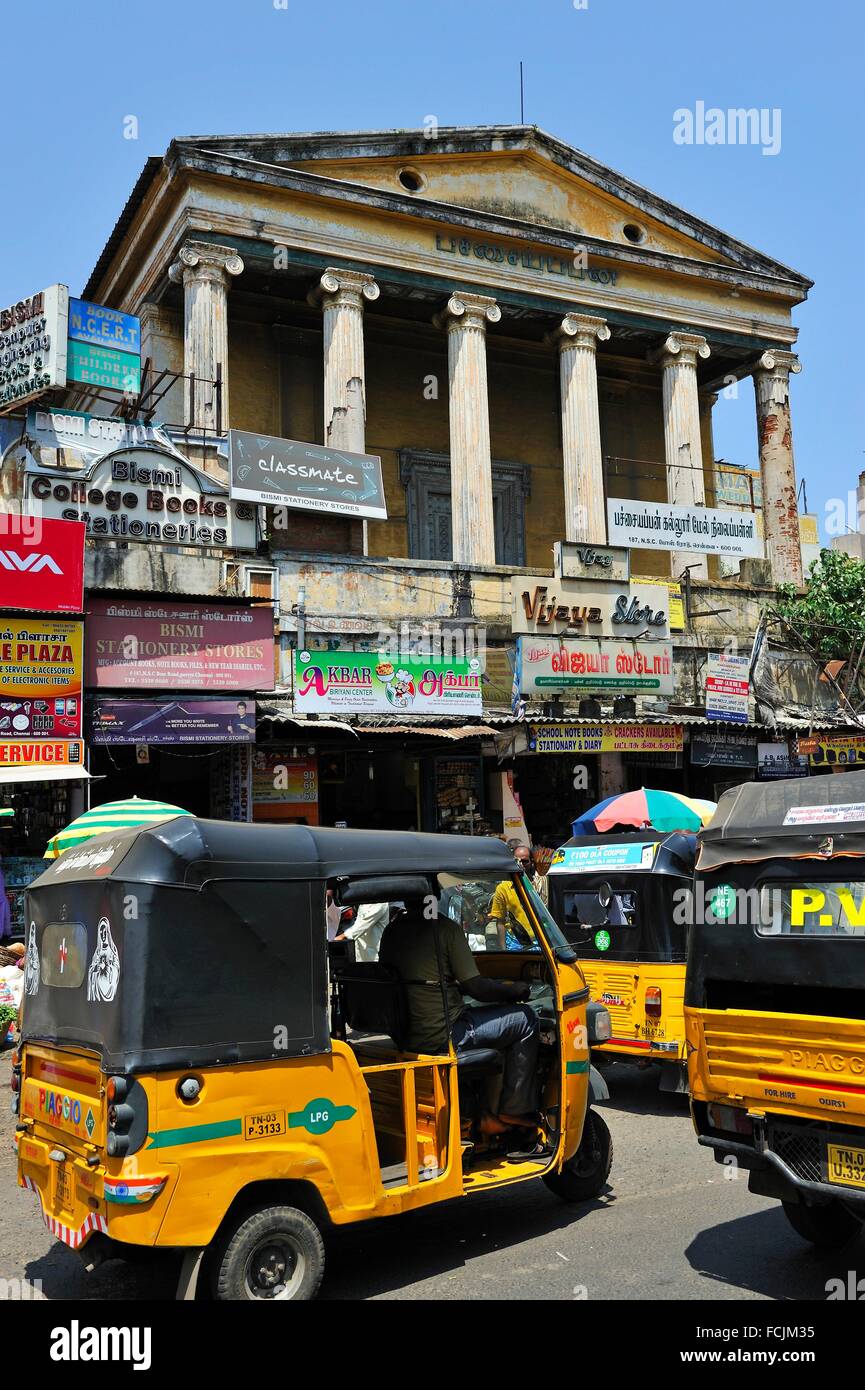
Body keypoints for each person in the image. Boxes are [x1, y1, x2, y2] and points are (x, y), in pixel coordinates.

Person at [379, 902, 540, 1135]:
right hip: (446, 1034)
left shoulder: (392, 930)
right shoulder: (445, 929)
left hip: (409, 1035)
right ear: (434, 893)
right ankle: (514, 1109)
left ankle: (484, 1115)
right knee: (525, 1018)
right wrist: (515, 991)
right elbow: (476, 988)